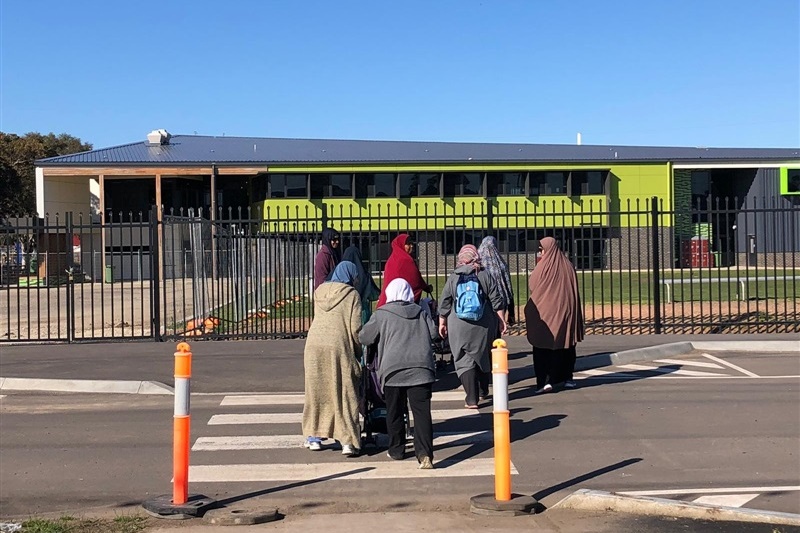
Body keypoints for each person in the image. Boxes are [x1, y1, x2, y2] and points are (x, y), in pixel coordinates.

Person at [359, 278, 437, 469]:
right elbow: (434, 334)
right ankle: (425, 453)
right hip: (421, 368)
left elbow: (364, 337)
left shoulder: (382, 314)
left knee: (394, 410)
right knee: (422, 413)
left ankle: (397, 449)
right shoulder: (420, 311)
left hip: (393, 369)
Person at [302, 261, 363, 456]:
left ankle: (314, 437)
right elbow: (355, 328)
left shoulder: (319, 291)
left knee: (317, 391)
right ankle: (347, 440)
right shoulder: (352, 295)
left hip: (313, 344)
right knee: (344, 392)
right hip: (338, 344)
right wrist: (359, 350)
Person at [438, 244, 507, 408]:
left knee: (463, 358)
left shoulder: (453, 277)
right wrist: (501, 320)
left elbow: (445, 301)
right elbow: (496, 299)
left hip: (458, 323)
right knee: (483, 355)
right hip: (483, 323)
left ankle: (471, 398)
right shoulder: (484, 274)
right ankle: (483, 391)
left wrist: (442, 322)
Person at [525, 237, 585, 393]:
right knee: (565, 344)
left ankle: (545, 380)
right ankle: (566, 378)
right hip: (566, 312)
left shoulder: (543, 267)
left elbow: (532, 284)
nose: (541, 252)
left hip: (546, 313)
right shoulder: (568, 265)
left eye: (541, 249)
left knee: (543, 346)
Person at [377, 234, 432, 307]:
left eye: (412, 243)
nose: (411, 246)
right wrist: (426, 287)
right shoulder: (407, 260)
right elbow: (416, 281)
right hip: (405, 305)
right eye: (408, 244)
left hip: (387, 304)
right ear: (401, 245)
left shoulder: (391, 260)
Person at [478, 236, 515, 329]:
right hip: (500, 303)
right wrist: (511, 313)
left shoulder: (477, 264)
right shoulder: (501, 264)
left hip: (481, 304)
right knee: (497, 331)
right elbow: (508, 289)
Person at [342, 244, 380, 324]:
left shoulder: (341, 275)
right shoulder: (363, 274)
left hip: (344, 311)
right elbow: (373, 294)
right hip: (362, 310)